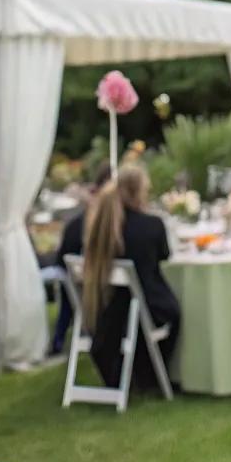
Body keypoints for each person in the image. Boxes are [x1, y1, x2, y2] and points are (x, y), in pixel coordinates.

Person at [82, 162, 181, 390]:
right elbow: (164, 255)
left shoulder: (105, 227)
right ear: (140, 191)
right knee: (174, 313)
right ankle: (157, 375)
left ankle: (139, 372)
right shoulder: (152, 225)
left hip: (108, 310)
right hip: (143, 308)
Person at [49, 164, 110, 356]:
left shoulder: (90, 207)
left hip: (70, 268)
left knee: (70, 296)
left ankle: (59, 339)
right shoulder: (100, 213)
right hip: (80, 271)